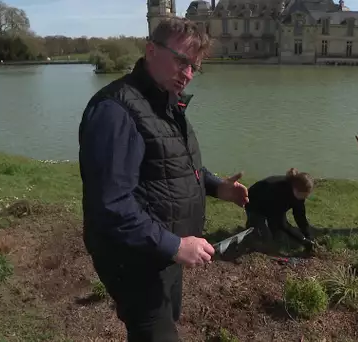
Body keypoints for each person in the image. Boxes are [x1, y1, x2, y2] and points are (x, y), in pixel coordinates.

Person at [77, 17, 249, 342]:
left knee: (166, 321)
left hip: (162, 253)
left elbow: (170, 162)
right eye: (181, 61)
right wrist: (175, 245)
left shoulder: (164, 101)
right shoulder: (115, 112)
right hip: (133, 260)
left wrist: (215, 186)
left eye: (194, 67)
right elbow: (111, 207)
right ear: (151, 50)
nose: (187, 74)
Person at [244, 168, 316, 254]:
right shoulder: (280, 193)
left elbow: (300, 217)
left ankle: (267, 231)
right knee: (263, 238)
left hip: (271, 206)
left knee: (278, 236)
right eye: (302, 195)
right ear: (294, 189)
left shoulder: (299, 194)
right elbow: (283, 224)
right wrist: (303, 240)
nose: (303, 198)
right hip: (254, 202)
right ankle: (252, 227)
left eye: (306, 196)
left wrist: (309, 236)